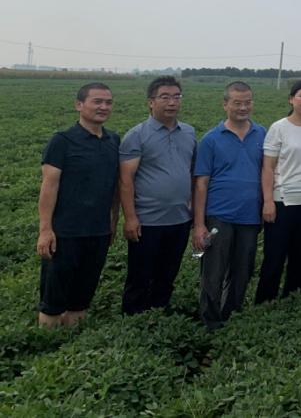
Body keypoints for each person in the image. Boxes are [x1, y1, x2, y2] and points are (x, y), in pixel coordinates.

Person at [36, 83, 119, 328]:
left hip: (98, 232)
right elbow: (49, 187)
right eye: (97, 101)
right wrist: (45, 230)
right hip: (65, 232)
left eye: (108, 102)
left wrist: (113, 220)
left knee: (81, 299)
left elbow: (115, 185)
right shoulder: (62, 141)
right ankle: (46, 343)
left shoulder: (113, 140)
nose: (103, 107)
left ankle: (74, 339)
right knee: (53, 299)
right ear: (79, 105)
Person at [119, 76, 195, 315]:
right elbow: (125, 180)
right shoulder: (137, 135)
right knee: (140, 275)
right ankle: (133, 317)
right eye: (165, 97)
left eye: (176, 97)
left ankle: (160, 313)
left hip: (180, 218)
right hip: (147, 220)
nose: (172, 102)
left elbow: (192, 172)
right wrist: (130, 218)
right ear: (151, 102)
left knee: (168, 272)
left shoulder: (189, 132)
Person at [193, 81, 265, 330]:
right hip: (218, 216)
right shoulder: (211, 139)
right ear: (225, 104)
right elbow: (201, 184)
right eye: (237, 103)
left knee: (243, 270)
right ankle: (211, 322)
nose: (243, 108)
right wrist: (199, 224)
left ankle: (232, 316)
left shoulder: (262, 134)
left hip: (250, 216)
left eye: (247, 102)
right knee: (213, 271)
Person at [255, 79, 301, 303]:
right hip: (282, 202)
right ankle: (265, 303)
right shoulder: (279, 128)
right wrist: (268, 201)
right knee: (274, 257)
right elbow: (268, 167)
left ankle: (292, 301)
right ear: (291, 99)